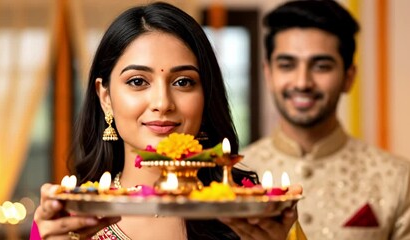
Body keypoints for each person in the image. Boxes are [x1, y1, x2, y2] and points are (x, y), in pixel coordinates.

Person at [32, 2, 302, 240]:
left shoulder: (256, 215)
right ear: (106, 97)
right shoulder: (68, 220)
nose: (162, 103)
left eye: (183, 82)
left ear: (206, 95)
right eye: (137, 82)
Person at [237, 0, 410, 239]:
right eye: (287, 65)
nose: (302, 82)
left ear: (349, 77)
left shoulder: (399, 179)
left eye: (321, 66)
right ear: (268, 74)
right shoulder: (233, 177)